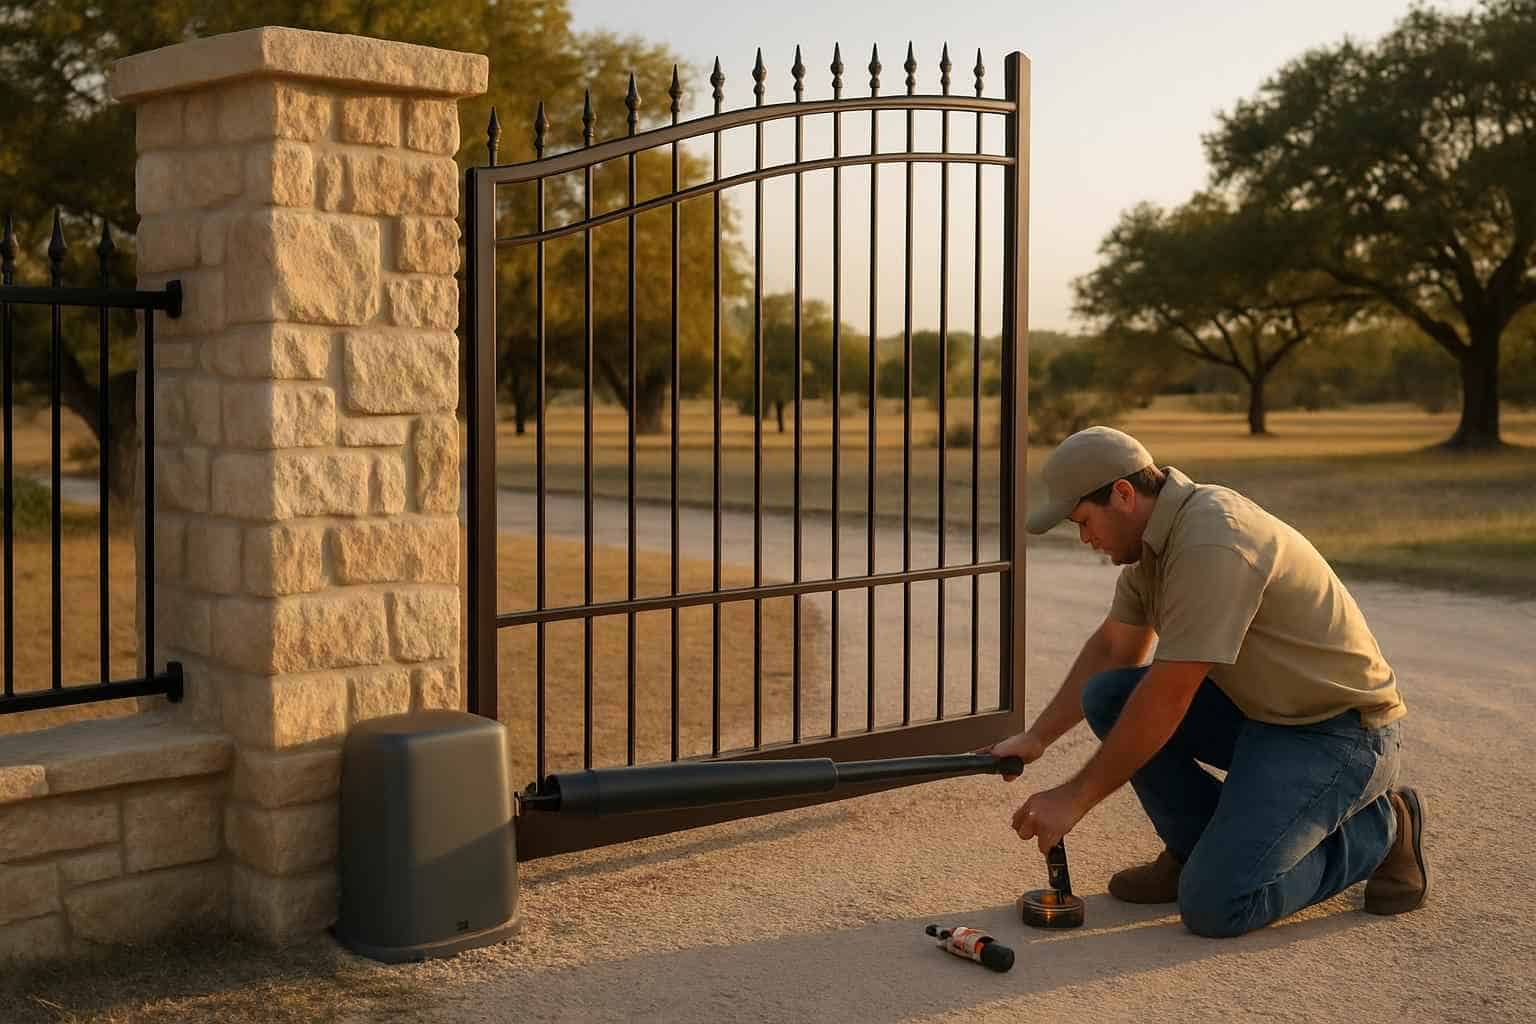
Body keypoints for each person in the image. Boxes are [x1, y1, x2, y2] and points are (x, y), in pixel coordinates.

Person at [990, 425, 1429, 937]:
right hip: (1264, 717)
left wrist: (1073, 798)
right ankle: (1195, 848)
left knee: (1219, 905)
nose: (1086, 538)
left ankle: (1383, 825)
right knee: (1109, 695)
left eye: (1084, 521)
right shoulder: (1154, 547)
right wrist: (1037, 738)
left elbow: (1169, 695)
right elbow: (1115, 649)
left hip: (1338, 734)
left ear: (1124, 495)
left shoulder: (1214, 539)